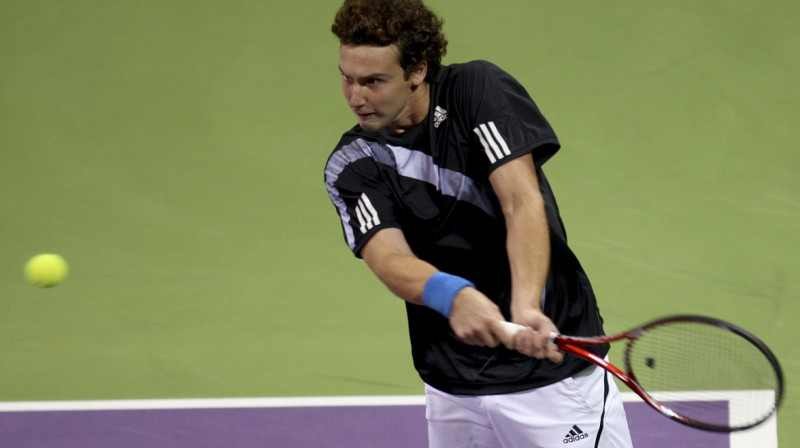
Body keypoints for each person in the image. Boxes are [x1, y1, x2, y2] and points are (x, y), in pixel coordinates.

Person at [323, 1, 633, 446]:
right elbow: (389, 258)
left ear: (417, 71)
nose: (356, 97)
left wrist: (526, 305)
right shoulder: (353, 162)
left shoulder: (474, 91)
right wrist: (452, 294)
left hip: (550, 380)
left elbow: (520, 200)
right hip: (453, 388)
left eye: (374, 81)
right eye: (347, 78)